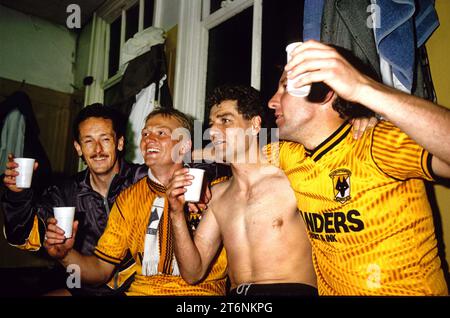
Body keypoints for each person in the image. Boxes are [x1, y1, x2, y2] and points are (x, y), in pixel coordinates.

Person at [267, 40, 450, 295]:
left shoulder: (377, 141)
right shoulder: (290, 154)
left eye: (285, 88)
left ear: (325, 93)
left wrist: (363, 89)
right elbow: (224, 152)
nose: (272, 102)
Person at [43, 108, 228, 296]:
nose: (149, 139)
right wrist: (65, 255)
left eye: (161, 133)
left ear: (184, 146)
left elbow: (250, 154)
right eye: (145, 134)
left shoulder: (213, 191)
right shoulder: (128, 198)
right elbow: (101, 269)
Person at [168, 85, 319, 296]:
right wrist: (176, 213)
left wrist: (364, 119)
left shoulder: (290, 179)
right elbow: (193, 272)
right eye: (211, 123)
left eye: (225, 120)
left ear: (255, 125)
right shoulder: (218, 194)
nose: (212, 130)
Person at [1, 103, 147, 296]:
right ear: (78, 148)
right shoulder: (65, 191)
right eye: (88, 141)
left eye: (105, 139)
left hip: (138, 289)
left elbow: (183, 173)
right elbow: (23, 235)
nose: (98, 149)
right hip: (85, 288)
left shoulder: (143, 181)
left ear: (119, 143)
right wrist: (17, 195)